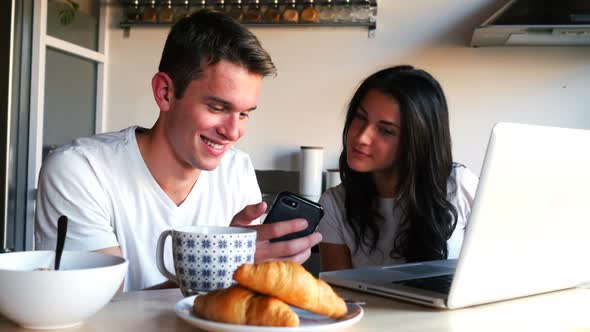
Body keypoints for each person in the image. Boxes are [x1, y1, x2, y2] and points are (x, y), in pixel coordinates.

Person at [34, 10, 322, 291]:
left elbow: (235, 299)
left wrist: (248, 275)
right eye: (217, 107)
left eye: (245, 114)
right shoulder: (80, 170)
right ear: (165, 93)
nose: (232, 132)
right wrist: (221, 267)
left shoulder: (237, 170)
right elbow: (101, 310)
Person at [317, 66, 479, 271]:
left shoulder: (460, 185)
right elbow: (337, 300)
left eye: (386, 130)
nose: (361, 138)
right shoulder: (334, 205)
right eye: (360, 117)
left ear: (418, 140)